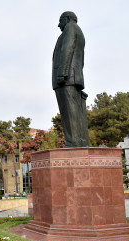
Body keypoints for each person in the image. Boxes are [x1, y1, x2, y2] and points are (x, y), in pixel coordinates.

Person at [52, 11, 89, 147]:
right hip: (73, 76)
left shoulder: (70, 28)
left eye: (60, 21)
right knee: (73, 110)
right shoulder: (79, 33)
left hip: (66, 78)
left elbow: (67, 49)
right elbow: (81, 59)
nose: (58, 25)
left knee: (69, 111)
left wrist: (62, 74)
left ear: (66, 19)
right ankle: (78, 141)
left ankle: (72, 142)